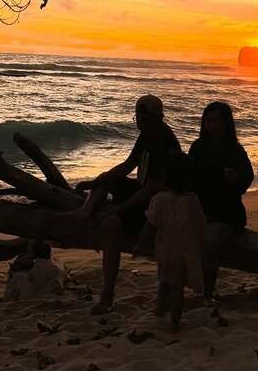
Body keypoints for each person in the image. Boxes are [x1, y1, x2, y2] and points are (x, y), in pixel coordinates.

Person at [75, 93, 180, 313]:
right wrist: (95, 182)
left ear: (157, 118)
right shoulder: (146, 135)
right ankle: (86, 211)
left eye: (144, 119)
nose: (140, 123)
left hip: (156, 205)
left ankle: (107, 294)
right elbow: (127, 166)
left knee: (112, 226)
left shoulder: (163, 140)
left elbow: (153, 188)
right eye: (138, 118)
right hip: (143, 191)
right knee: (108, 178)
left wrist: (119, 208)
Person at [133, 151, 207, 331]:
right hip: (186, 250)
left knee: (166, 282)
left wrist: (140, 245)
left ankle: (165, 316)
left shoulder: (159, 200)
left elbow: (150, 225)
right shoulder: (192, 200)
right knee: (177, 287)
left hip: (166, 251)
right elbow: (200, 224)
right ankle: (173, 319)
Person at [188, 101, 254, 300]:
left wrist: (236, 179)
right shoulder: (198, 147)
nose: (212, 125)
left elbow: (248, 177)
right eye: (208, 121)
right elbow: (188, 177)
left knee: (210, 240)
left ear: (226, 123)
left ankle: (208, 290)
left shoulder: (235, 150)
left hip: (227, 213)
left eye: (217, 121)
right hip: (201, 210)